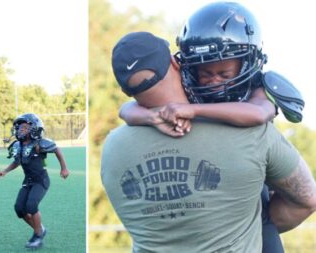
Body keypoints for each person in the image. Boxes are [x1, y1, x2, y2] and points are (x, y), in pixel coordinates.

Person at [102, 31, 316, 252]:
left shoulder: (110, 147)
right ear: (176, 64)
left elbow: (126, 110)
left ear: (125, 90)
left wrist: (151, 115)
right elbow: (307, 200)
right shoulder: (250, 132)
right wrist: (251, 226)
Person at [0, 113, 69, 250]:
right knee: (19, 209)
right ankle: (40, 228)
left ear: (34, 128)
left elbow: (57, 150)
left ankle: (38, 235)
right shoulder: (18, 145)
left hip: (41, 180)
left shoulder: (39, 143)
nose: (20, 130)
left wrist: (64, 168)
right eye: (19, 127)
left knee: (31, 206)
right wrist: (4, 171)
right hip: (27, 181)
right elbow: (17, 161)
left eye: (24, 127)